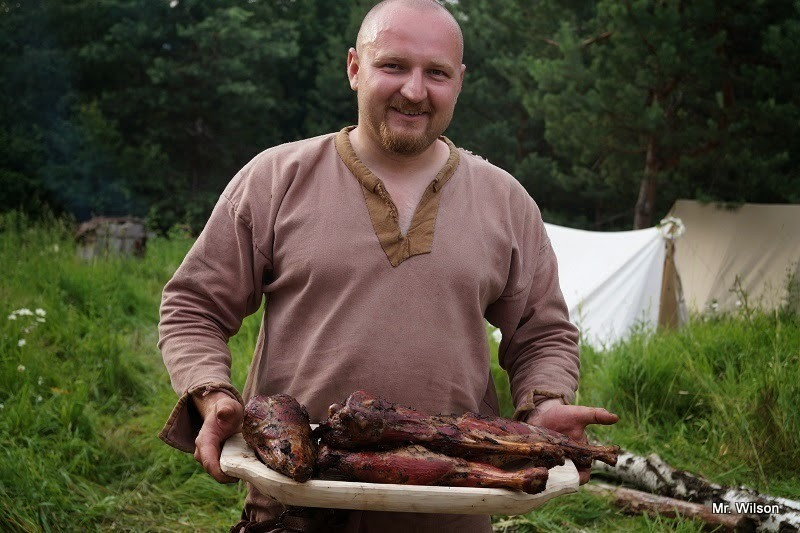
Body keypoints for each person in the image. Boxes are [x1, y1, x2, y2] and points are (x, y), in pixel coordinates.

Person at [157, 0, 618, 531]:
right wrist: (212, 392)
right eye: (393, 66)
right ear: (355, 68)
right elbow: (194, 306)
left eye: (436, 73)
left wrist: (544, 404)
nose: (415, 91)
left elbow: (541, 333)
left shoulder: (504, 200)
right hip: (294, 503)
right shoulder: (276, 179)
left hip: (455, 507)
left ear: (460, 81)